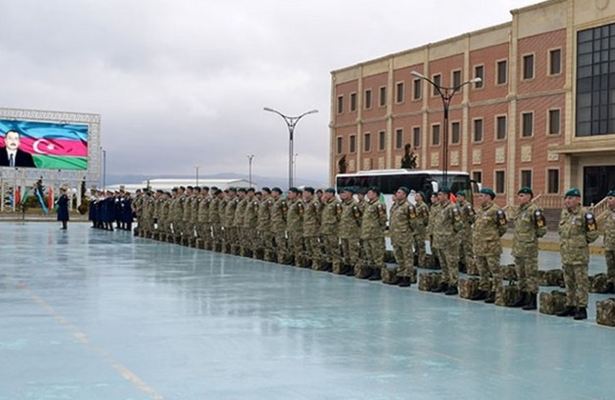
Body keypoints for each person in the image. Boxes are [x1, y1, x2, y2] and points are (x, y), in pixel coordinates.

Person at [557, 188, 600, 320]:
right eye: (566, 198)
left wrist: (581, 242)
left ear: (578, 199)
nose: (567, 201)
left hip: (579, 255)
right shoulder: (564, 214)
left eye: (570, 198)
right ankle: (570, 304)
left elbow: (593, 234)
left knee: (581, 282)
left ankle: (582, 308)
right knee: (568, 281)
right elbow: (561, 232)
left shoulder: (585, 214)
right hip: (566, 254)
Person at [510, 187, 546, 310]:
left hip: (529, 248)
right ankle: (522, 296)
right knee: (521, 274)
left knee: (531, 274)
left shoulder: (534, 211)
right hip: (518, 248)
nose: (519, 198)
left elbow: (542, 229)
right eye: (518, 196)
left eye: (522, 196)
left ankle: (532, 299)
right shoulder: (519, 211)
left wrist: (531, 238)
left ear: (529, 197)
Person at [473, 188, 507, 303]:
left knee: (494, 270)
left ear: (488, 197)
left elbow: (503, 228)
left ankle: (496, 291)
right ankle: (484, 289)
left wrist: (492, 238)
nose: (479, 198)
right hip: (479, 246)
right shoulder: (480, 211)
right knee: (482, 270)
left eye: (481, 196)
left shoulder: (497, 210)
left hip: (491, 246)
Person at [432, 187, 464, 295]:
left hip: (450, 241)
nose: (438, 197)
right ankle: (445, 281)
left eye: (440, 195)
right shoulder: (439, 208)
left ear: (446, 196)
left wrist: (451, 234)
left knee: (452, 263)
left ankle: (453, 284)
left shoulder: (452, 208)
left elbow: (458, 224)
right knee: (443, 263)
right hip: (440, 241)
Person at [389, 186, 416, 287]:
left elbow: (413, 223)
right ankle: (400, 275)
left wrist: (407, 232)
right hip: (395, 236)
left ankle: (407, 277)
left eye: (399, 193)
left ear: (405, 195)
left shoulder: (409, 207)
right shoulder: (395, 206)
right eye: (397, 192)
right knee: (398, 257)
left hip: (404, 236)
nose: (397, 194)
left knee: (407, 257)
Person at [361, 187, 387, 281]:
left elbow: (383, 219)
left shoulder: (379, 205)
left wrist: (379, 230)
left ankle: (378, 272)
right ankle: (371, 271)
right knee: (369, 253)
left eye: (370, 192)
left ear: (375, 194)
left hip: (375, 234)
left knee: (377, 254)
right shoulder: (368, 204)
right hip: (367, 233)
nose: (368, 194)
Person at [600, 190, 615, 293]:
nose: (608, 201)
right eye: (608, 199)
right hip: (609, 244)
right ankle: (611, 283)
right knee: (610, 266)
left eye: (611, 198)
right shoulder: (607, 213)